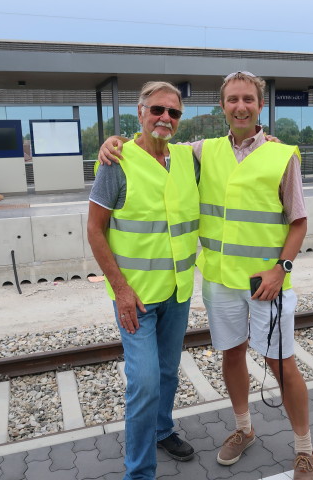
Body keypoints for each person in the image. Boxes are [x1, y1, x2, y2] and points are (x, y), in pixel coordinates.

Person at [99, 71, 313, 479]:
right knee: (231, 355)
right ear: (222, 107)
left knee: (282, 365)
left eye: (248, 99)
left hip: (267, 285)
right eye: (232, 99)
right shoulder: (202, 151)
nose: (240, 106)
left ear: (260, 105)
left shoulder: (282, 154)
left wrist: (280, 268)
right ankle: (243, 429)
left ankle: (304, 449)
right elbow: (155, 143)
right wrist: (114, 143)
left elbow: (299, 221)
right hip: (218, 282)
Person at [87, 81, 199, 480]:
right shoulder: (115, 163)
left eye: (173, 112)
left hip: (178, 291)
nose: (165, 118)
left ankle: (162, 429)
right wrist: (120, 290)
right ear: (140, 112)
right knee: (145, 383)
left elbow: (232, 150)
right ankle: (139, 474)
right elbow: (95, 231)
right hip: (135, 299)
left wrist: (263, 138)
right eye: (157, 110)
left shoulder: (188, 159)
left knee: (168, 372)